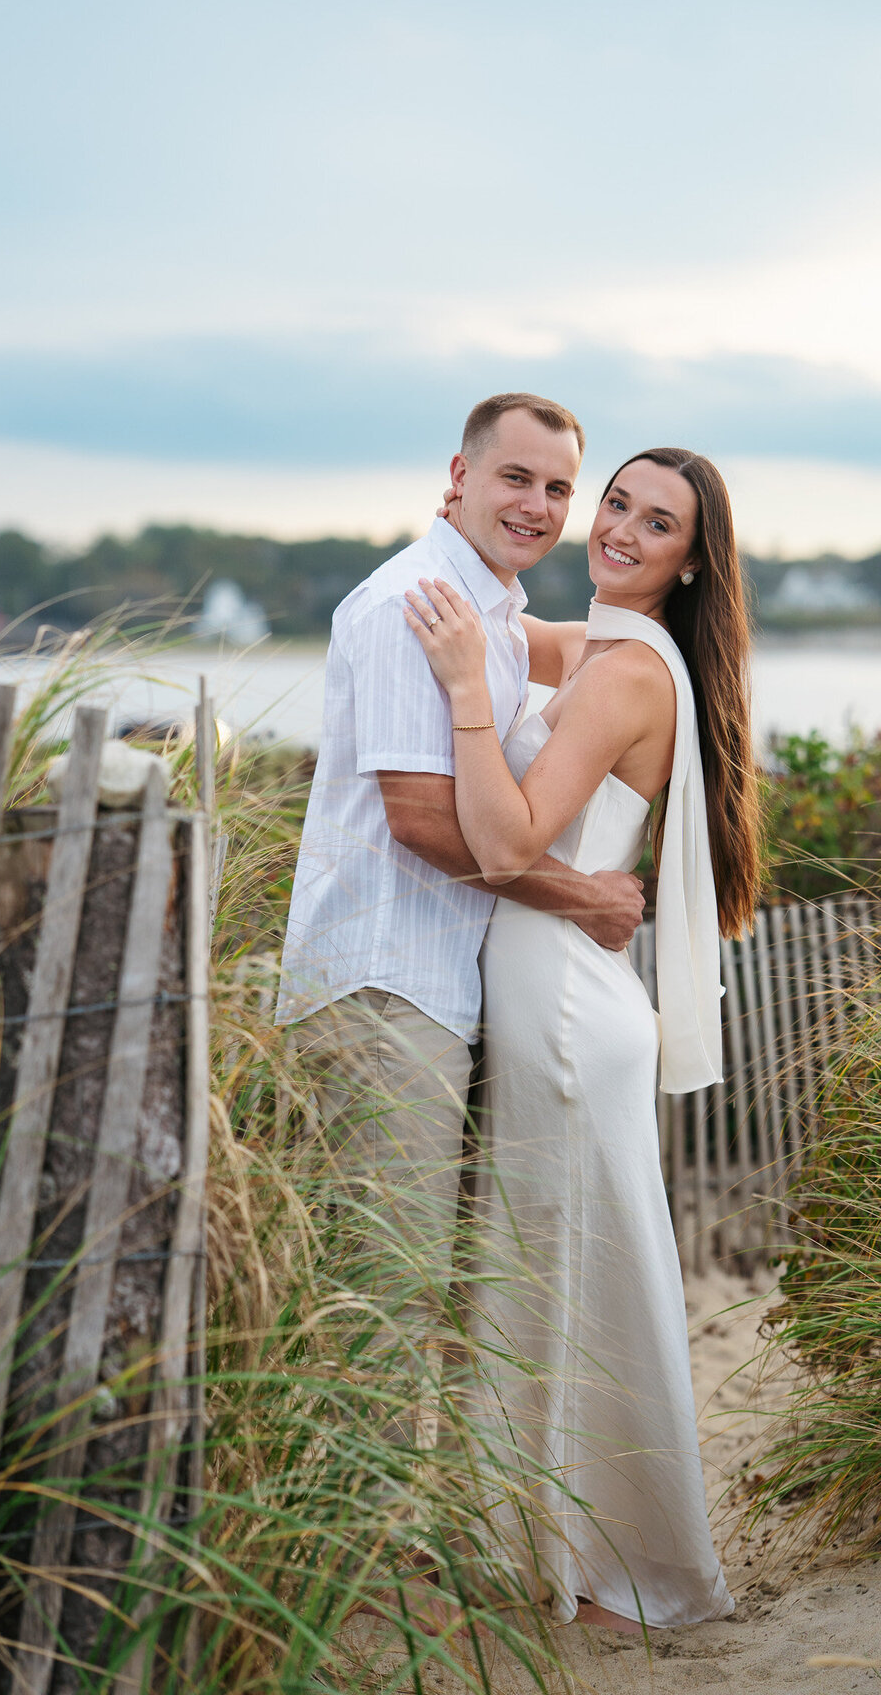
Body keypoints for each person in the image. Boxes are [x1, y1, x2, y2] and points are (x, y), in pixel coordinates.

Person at [405, 446, 761, 1632]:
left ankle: (632, 1575)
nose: (616, 527)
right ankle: (561, 1550)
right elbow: (513, 631)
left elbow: (507, 843)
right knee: (558, 1275)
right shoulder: (606, 646)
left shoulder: (622, 676)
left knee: (578, 1283)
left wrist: (462, 693)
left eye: (654, 522)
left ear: (691, 560)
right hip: (560, 995)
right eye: (613, 501)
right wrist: (457, 544)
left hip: (563, 1005)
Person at [275, 393, 647, 1349]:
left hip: (437, 993)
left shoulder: (496, 613)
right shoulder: (419, 604)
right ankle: (363, 1502)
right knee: (380, 1308)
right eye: (515, 477)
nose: (537, 504)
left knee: (416, 1297)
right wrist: (586, 899)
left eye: (558, 487)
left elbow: (614, 652)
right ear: (460, 476)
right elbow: (423, 824)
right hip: (381, 988)